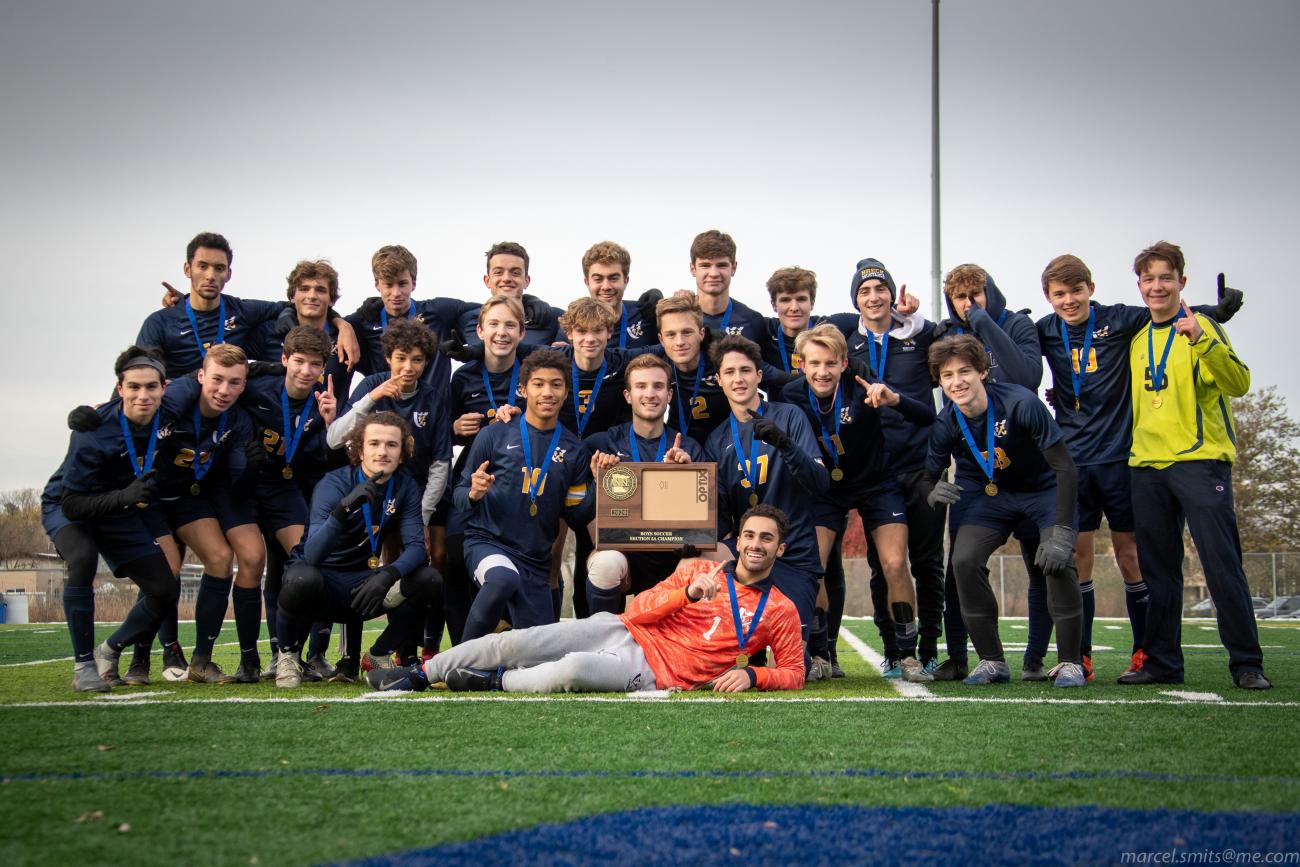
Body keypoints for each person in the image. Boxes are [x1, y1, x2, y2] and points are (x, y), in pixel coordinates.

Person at [1034, 253, 1244, 678]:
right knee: (1078, 556)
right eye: (1060, 294)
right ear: (1048, 297)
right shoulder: (1043, 330)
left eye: (1077, 291)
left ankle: (1144, 652)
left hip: (1123, 457)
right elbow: (1013, 350)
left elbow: (1165, 309)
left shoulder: (1121, 319)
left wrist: (1212, 313)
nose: (1069, 300)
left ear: (1091, 289)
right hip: (1073, 462)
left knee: (1132, 557)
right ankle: (1082, 654)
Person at [368, 505, 805, 694]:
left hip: (655, 672)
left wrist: (755, 677)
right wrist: (686, 594)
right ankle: (420, 674)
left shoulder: (781, 609)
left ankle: (492, 682)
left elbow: (794, 672)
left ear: (779, 549)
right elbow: (638, 610)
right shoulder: (698, 570)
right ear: (739, 538)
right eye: (749, 535)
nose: (755, 544)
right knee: (519, 641)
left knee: (572, 670)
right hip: (624, 630)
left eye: (767, 539)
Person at [1120, 242, 1268, 690]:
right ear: (1140, 287)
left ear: (1182, 282)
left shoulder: (1201, 327)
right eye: (1149, 279)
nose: (1157, 286)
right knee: (1159, 572)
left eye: (1166, 278)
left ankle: (1246, 662)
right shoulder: (1139, 338)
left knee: (1221, 564)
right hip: (1146, 465)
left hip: (1200, 463)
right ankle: (1163, 662)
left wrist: (1203, 340)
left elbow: (1238, 383)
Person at [923, 336, 1085, 687]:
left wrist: (1064, 531)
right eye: (947, 375)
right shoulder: (947, 421)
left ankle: (1072, 662)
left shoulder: (1021, 403)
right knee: (963, 562)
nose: (957, 381)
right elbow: (927, 476)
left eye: (965, 371)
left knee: (1055, 560)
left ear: (983, 371)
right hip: (990, 496)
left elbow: (1065, 468)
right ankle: (992, 660)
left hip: (1042, 490)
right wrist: (931, 489)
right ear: (939, 381)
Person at [785, 325, 936, 682]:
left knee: (896, 563)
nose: (822, 371)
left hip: (875, 483)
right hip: (826, 488)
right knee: (813, 567)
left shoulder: (864, 388)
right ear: (802, 365)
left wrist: (894, 399)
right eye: (815, 363)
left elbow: (926, 417)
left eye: (830, 363)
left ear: (843, 364)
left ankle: (907, 654)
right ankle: (820, 653)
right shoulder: (791, 395)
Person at [274, 412, 444, 687]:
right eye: (374, 443)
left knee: (430, 580)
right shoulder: (334, 483)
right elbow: (313, 554)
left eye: (391, 445)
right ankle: (288, 655)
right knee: (302, 577)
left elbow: (416, 548)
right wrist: (342, 511)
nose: (382, 452)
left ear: (402, 453)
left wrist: (388, 574)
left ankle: (378, 653)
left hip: (364, 586)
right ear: (359, 450)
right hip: (323, 585)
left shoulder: (406, 487)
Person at [52, 347, 184, 691]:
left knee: (163, 589)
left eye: (151, 387)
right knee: (82, 558)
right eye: (135, 387)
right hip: (72, 505)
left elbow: (225, 373)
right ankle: (84, 668)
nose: (144, 395)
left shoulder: (169, 411)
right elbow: (71, 505)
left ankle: (107, 650)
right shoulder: (93, 429)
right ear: (119, 388)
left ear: (164, 387)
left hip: (120, 508)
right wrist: (123, 497)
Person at [328, 318, 452, 664]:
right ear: (388, 359)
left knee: (432, 564)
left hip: (423, 498)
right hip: (374, 500)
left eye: (416, 359)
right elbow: (335, 438)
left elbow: (441, 462)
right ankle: (358, 656)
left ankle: (424, 649)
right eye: (400, 358)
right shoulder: (371, 386)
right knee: (374, 568)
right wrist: (370, 398)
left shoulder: (434, 398)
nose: (407, 367)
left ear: (426, 362)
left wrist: (422, 517)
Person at [843, 259, 945, 679]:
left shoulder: (919, 338)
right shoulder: (849, 345)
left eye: (879, 290)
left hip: (922, 469)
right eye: (864, 292)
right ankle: (891, 647)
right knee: (883, 565)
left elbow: (957, 337)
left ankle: (929, 646)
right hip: (874, 474)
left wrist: (916, 316)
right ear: (855, 300)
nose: (873, 298)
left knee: (927, 562)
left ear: (891, 295)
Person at [454, 350, 593, 642]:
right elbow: (459, 494)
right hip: (488, 542)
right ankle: (456, 662)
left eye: (556, 384)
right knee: (503, 579)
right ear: (522, 389)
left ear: (566, 392)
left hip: (535, 561)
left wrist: (600, 487)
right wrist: (474, 494)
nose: (547, 392)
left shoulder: (574, 449)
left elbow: (575, 516)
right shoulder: (494, 435)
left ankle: (494, 669)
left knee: (536, 657)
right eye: (538, 384)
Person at [705, 335, 828, 653]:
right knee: (700, 559)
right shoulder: (717, 440)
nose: (738, 378)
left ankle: (816, 647)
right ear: (719, 380)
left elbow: (820, 483)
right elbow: (720, 520)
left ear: (759, 375)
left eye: (745, 370)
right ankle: (702, 641)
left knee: (789, 664)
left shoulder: (789, 417)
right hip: (748, 552)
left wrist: (785, 445)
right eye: (729, 372)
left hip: (793, 553)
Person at [151, 345, 263, 684]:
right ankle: (148, 655)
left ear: (244, 385)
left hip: (190, 498)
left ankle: (202, 659)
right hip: (149, 498)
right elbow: (131, 414)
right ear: (200, 376)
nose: (223, 390)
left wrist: (251, 470)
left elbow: (236, 482)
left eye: (234, 382)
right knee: (163, 568)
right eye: (216, 379)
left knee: (219, 557)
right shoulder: (176, 402)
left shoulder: (239, 419)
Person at [237, 326, 339, 678]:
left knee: (302, 563)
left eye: (314, 364)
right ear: (284, 360)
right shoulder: (256, 390)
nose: (306, 371)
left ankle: (295, 651)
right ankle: (255, 656)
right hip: (249, 488)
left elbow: (335, 460)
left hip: (291, 493)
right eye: (299, 361)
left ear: (323, 367)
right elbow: (215, 382)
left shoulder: (324, 402)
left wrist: (331, 425)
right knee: (254, 565)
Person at [580, 354, 709, 615]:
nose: (650, 394)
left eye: (658, 386)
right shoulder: (602, 444)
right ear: (627, 395)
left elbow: (708, 523)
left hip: (674, 555)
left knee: (704, 566)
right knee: (605, 563)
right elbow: (576, 517)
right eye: (641, 386)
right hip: (626, 555)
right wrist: (597, 483)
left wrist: (686, 480)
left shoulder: (689, 448)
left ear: (669, 395)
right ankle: (606, 641)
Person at [144, 232, 359, 380]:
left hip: (321, 431)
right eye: (202, 266)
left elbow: (300, 306)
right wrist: (183, 302)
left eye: (219, 268)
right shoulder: (160, 322)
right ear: (187, 269)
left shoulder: (243, 312)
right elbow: (139, 373)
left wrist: (343, 325)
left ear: (228, 274)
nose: (210, 275)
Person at [443, 295, 529, 644]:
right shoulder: (463, 377)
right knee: (453, 555)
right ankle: (461, 649)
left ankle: (507, 638)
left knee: (516, 559)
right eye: (493, 324)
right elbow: (442, 433)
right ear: (480, 330)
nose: (501, 332)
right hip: (471, 479)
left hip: (517, 483)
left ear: (522, 333)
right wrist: (454, 428)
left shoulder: (531, 374)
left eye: (510, 325)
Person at [455, 242, 563, 346]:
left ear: (527, 280)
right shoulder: (468, 319)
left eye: (515, 273)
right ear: (487, 280)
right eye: (498, 272)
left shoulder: (552, 318)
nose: (506, 278)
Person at [567, 241, 661, 350]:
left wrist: (662, 303)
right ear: (587, 282)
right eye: (598, 279)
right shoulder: (573, 323)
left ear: (626, 280)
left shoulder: (645, 313)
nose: (606, 286)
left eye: (613, 278)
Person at [688, 230, 767, 343]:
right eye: (705, 265)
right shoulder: (678, 318)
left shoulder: (753, 321)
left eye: (722, 265)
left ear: (734, 268)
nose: (714, 274)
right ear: (692, 269)